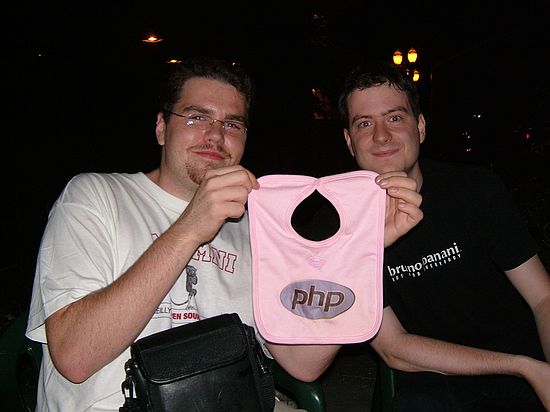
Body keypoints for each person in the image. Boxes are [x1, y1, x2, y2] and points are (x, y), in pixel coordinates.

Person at [26, 55, 423, 412]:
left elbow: (303, 364)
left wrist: (362, 248)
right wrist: (191, 226)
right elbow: (75, 357)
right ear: (162, 127)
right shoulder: (96, 196)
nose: (215, 136)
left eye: (232, 124)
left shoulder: (255, 228)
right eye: (196, 117)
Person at [337, 60, 550, 411]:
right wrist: (520, 366)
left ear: (420, 127)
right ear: (349, 141)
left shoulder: (477, 190)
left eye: (394, 117)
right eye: (364, 123)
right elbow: (393, 347)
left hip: (521, 368)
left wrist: (539, 369)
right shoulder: (337, 228)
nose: (381, 136)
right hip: (431, 374)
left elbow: (542, 297)